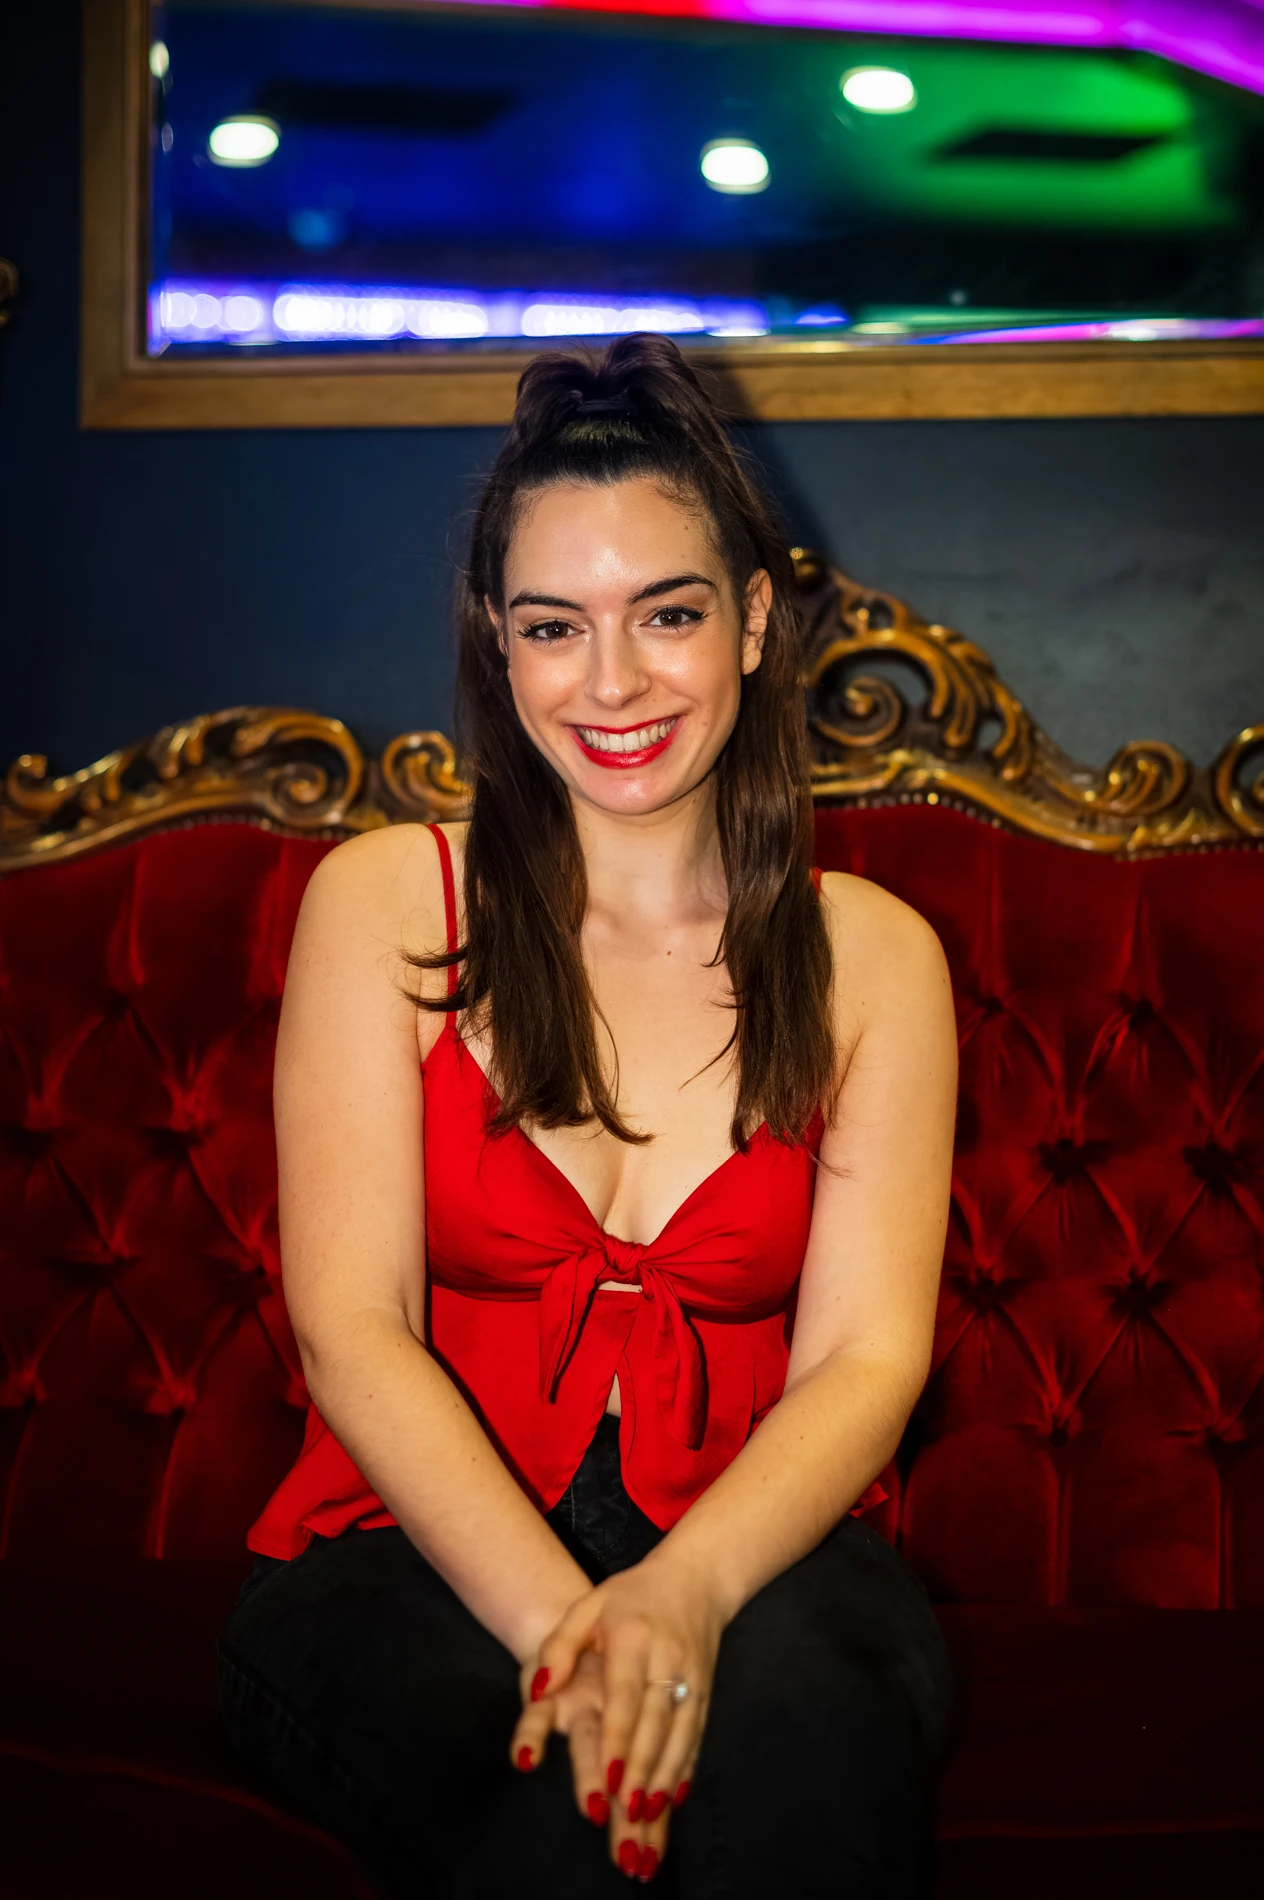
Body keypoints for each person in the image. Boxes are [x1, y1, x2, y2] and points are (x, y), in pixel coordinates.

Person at [217, 333, 957, 1899]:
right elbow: (353, 1329)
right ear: (500, 642)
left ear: (756, 620)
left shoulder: (879, 959)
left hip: (767, 1555)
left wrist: (680, 1595)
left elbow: (868, 1362)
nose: (609, 684)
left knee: (801, 1788)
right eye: (554, 628)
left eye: (666, 616)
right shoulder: (384, 907)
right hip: (402, 1553)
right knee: (560, 1806)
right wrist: (573, 1630)